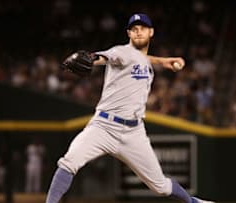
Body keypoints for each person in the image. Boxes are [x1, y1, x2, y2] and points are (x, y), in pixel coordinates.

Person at [46, 13, 214, 203]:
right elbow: (107, 57)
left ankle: (193, 202)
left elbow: (140, 58)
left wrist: (162, 61)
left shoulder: (143, 60)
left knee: (160, 186)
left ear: (151, 32)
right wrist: (93, 58)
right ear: (128, 34)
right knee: (69, 162)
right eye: (134, 29)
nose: (138, 31)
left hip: (134, 132)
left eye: (142, 28)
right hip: (103, 127)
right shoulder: (121, 52)